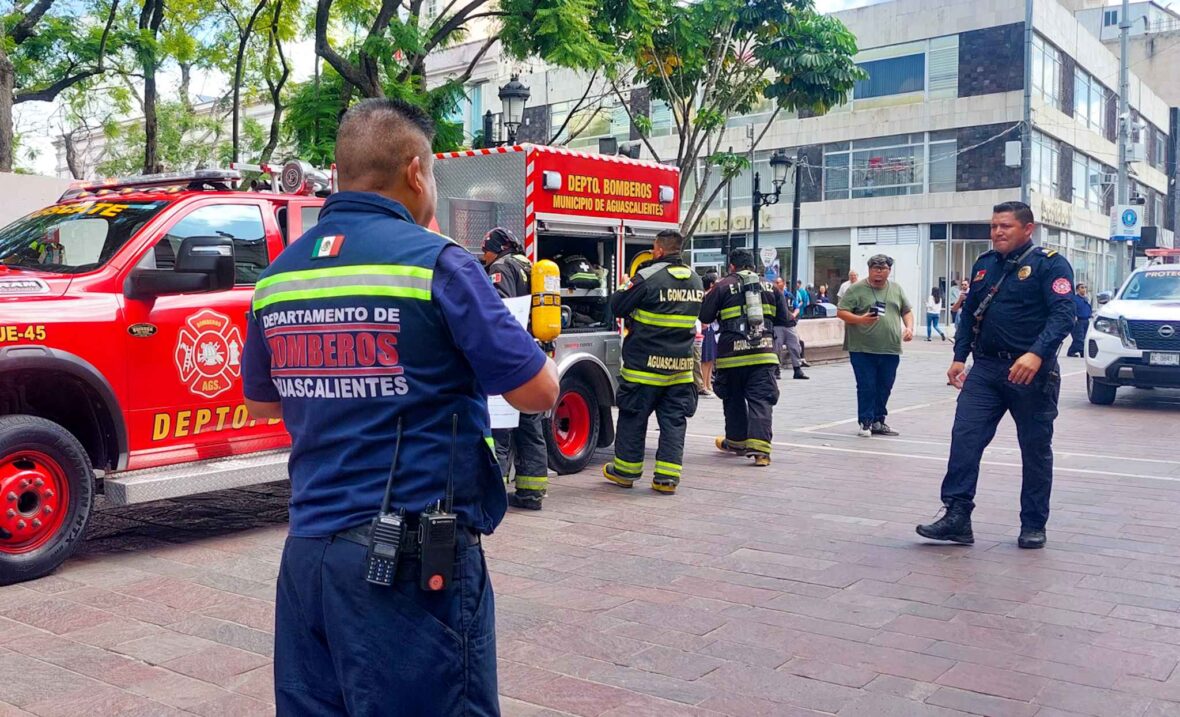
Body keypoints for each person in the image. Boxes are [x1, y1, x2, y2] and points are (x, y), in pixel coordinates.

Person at [242, 98, 558, 715]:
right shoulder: (436, 263)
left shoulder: (277, 277)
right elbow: (537, 391)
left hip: (309, 556)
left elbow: (261, 405)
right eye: (434, 174)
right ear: (416, 172)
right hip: (409, 559)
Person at [917, 201, 1075, 550]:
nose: (998, 232)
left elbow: (1064, 316)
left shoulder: (1050, 264)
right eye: (994, 226)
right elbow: (970, 312)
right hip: (986, 369)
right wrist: (959, 357)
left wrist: (1036, 353)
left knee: (1034, 449)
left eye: (1005, 226)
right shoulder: (985, 265)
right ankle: (957, 517)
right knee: (965, 437)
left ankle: (1033, 523)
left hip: (1031, 373)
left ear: (1027, 228)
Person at [602, 230, 703, 494]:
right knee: (673, 421)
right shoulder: (696, 280)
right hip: (680, 369)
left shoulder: (648, 278)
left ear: (658, 249)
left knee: (634, 417)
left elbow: (618, 306)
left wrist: (626, 283)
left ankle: (626, 472)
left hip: (645, 367)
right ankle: (667, 479)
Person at [481, 227, 550, 510]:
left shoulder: (500, 266)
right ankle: (532, 494)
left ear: (495, 247)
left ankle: (492, 497)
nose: (483, 256)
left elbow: (499, 308)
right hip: (533, 355)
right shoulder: (530, 266)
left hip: (509, 355)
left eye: (485, 249)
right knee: (531, 427)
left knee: (500, 429)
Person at [701, 249, 792, 466]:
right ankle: (761, 453)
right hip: (763, 355)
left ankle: (737, 441)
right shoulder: (771, 287)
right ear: (753, 265)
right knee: (761, 400)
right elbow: (785, 319)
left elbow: (704, 315)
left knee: (732, 399)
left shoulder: (722, 286)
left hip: (731, 356)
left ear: (732, 266)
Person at [836, 254, 915, 437]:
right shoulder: (856, 289)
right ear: (869, 270)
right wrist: (860, 319)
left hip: (890, 347)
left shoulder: (896, 289)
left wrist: (909, 328)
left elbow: (906, 311)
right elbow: (841, 311)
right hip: (862, 348)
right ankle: (866, 421)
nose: (878, 272)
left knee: (885, 385)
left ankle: (879, 420)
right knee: (867, 385)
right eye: (875, 269)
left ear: (889, 271)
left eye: (883, 269)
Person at [773, 276, 808, 380]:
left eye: (778, 282)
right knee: (776, 348)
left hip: (789, 324)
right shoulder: (772, 295)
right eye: (775, 282)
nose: (776, 284)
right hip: (777, 324)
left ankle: (797, 369)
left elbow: (797, 306)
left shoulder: (789, 295)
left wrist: (794, 314)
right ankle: (776, 370)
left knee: (795, 346)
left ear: (783, 283)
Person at [700, 272, 719, 393]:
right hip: (705, 329)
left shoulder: (714, 295)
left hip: (713, 328)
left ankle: (708, 383)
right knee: (705, 358)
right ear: (711, 284)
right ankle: (704, 385)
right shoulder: (704, 297)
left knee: (711, 359)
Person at [1067, 283, 1093, 357]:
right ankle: (1076, 351)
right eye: (1082, 287)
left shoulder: (1086, 299)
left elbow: (1087, 308)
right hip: (1078, 321)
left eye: (1085, 287)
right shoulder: (1074, 299)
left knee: (1084, 338)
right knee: (1079, 338)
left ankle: (1078, 352)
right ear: (1077, 290)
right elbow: (1072, 309)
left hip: (1086, 320)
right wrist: (1074, 317)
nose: (1084, 289)